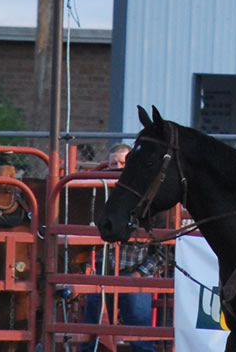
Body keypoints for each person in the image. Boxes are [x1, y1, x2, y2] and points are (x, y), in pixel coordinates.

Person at [82, 141, 158, 352]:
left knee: (139, 328)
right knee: (92, 307)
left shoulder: (147, 200)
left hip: (134, 273)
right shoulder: (96, 194)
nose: (117, 168)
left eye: (122, 163)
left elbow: (163, 248)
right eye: (113, 164)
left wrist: (141, 274)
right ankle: (90, 347)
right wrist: (90, 267)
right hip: (102, 271)